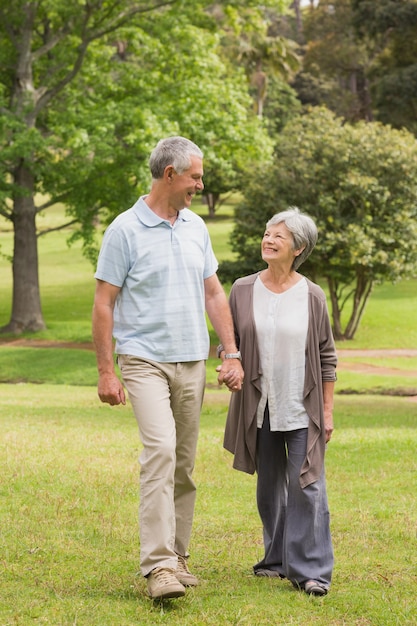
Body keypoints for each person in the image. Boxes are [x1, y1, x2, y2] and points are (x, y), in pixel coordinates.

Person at [92, 136, 244, 600]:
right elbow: (104, 304)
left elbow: (214, 293)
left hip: (191, 359)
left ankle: (178, 556)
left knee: (184, 461)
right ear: (170, 175)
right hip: (143, 359)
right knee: (159, 450)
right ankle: (158, 566)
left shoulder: (196, 226)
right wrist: (105, 371)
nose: (201, 183)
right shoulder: (124, 230)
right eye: (196, 176)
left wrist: (230, 351)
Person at [219, 207, 337, 596]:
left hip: (302, 406)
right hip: (260, 404)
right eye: (267, 233)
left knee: (307, 485)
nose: (268, 240)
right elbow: (229, 341)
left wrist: (328, 410)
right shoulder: (242, 289)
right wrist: (229, 361)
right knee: (270, 487)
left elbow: (326, 358)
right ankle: (274, 559)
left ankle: (312, 571)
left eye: (278, 236)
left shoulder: (312, 295)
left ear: (298, 247)